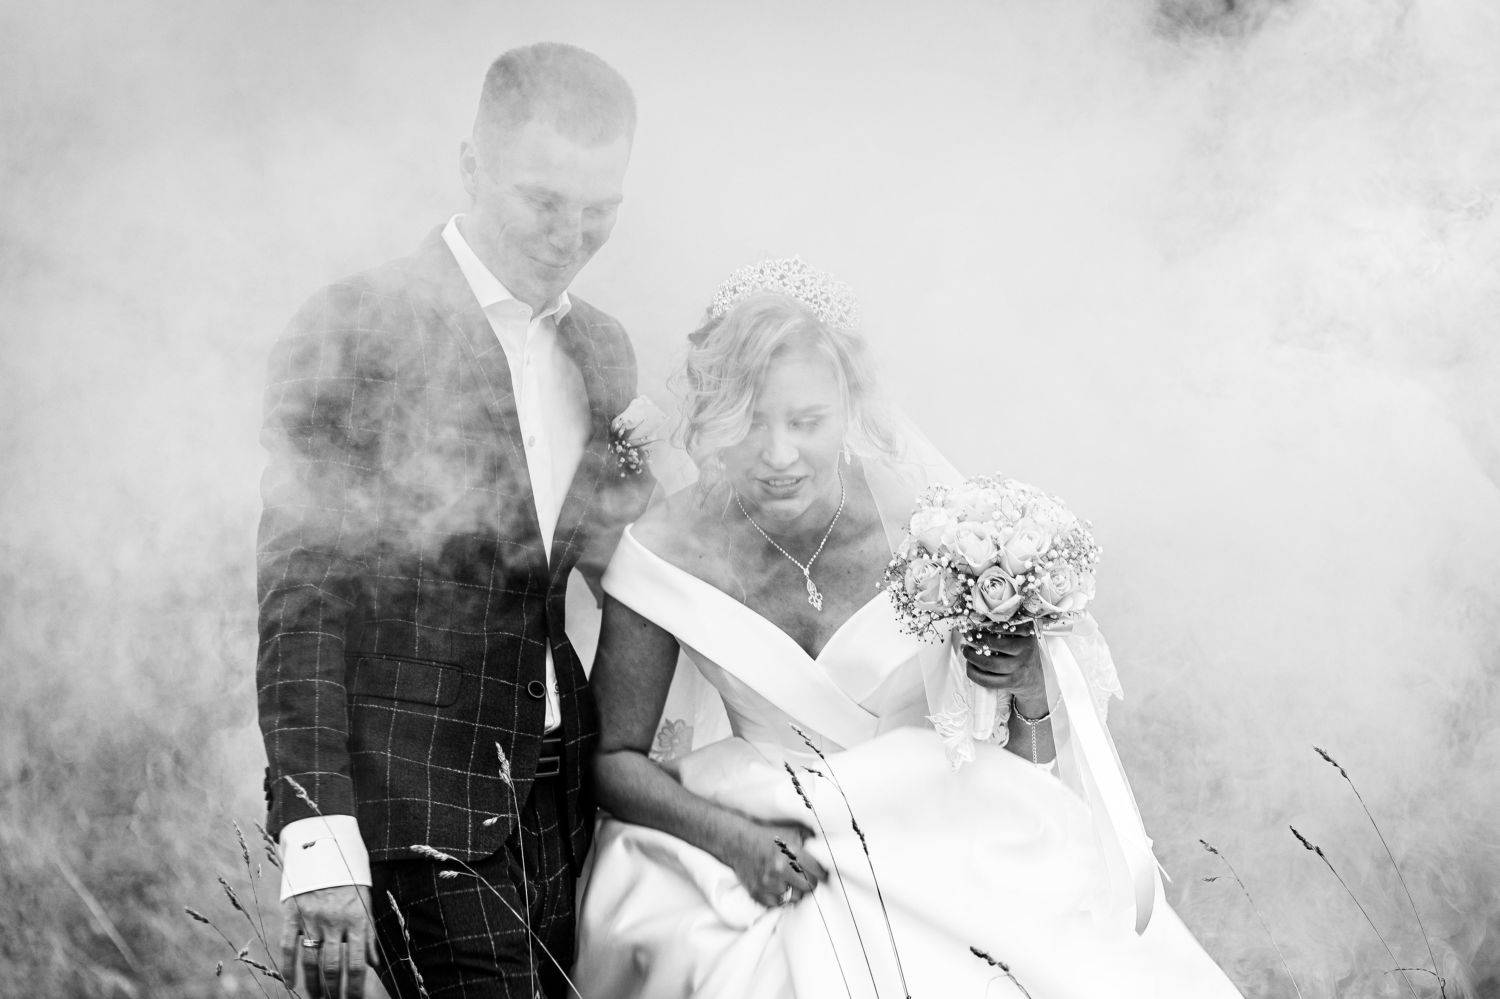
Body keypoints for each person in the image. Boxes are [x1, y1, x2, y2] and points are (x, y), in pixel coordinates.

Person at [572, 259, 1245, 997]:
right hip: (774, 826)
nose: (778, 454)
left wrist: (1026, 684)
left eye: (806, 422)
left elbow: (1028, 759)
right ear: (713, 417)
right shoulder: (665, 550)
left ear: (849, 408)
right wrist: (735, 841)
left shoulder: (935, 527)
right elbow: (612, 759)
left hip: (944, 820)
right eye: (750, 421)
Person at [255, 43, 652, 999]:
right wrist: (319, 838)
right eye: (543, 202)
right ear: (471, 166)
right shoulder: (355, 326)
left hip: (563, 794)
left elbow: (616, 568)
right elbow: (303, 595)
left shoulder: (603, 348)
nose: (570, 235)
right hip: (417, 799)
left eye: (598, 209)